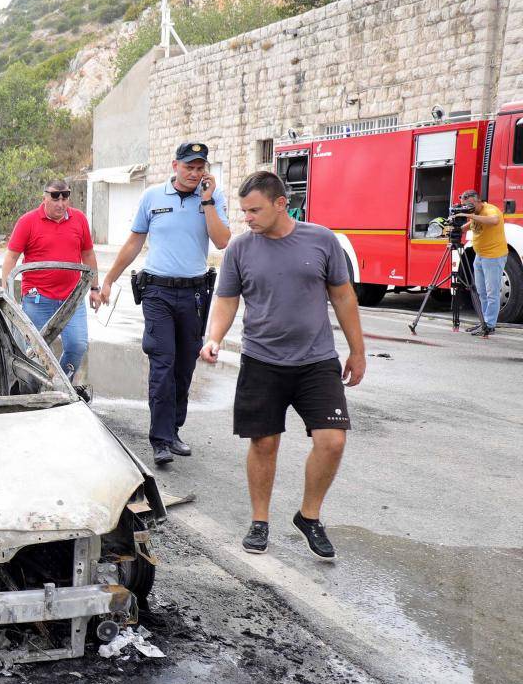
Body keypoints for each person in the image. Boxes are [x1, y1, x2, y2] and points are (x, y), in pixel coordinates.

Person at [200, 170, 365, 561]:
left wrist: (358, 351)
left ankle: (309, 516)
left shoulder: (322, 240)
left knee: (333, 440)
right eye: (243, 212)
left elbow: (344, 298)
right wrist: (214, 337)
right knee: (264, 443)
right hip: (262, 360)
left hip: (317, 360)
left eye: (255, 210)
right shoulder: (240, 249)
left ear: (280, 204)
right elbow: (227, 300)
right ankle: (260, 521)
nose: (248, 219)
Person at [93, 141, 230, 466]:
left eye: (200, 168)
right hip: (158, 293)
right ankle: (160, 440)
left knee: (183, 367)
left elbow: (222, 241)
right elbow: (134, 241)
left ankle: (173, 430)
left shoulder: (211, 197)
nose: (195, 173)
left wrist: (208, 200)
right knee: (162, 364)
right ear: (175, 166)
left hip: (195, 294)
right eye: (189, 167)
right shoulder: (152, 197)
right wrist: (110, 279)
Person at [2, 179, 98, 387]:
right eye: (55, 197)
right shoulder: (28, 222)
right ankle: (32, 391)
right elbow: (11, 257)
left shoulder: (79, 220)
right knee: (35, 351)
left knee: (77, 345)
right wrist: (6, 292)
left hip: (72, 300)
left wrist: (95, 288)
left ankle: (60, 386)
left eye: (65, 197)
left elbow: (88, 254)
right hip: (38, 298)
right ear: (44, 197)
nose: (60, 203)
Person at [457, 189, 507, 338]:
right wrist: (456, 228)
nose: (467, 208)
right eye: (465, 206)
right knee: (481, 291)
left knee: (492, 292)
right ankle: (484, 322)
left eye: (469, 205)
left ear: (477, 201)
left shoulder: (490, 210)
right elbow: (472, 223)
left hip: (493, 256)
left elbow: (494, 220)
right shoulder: (476, 213)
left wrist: (469, 215)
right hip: (480, 256)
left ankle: (490, 325)